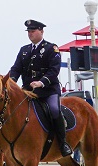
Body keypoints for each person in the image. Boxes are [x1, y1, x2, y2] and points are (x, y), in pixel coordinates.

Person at [7, 19, 72, 157]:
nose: (30, 34)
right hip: (28, 91)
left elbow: (54, 70)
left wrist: (41, 82)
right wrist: (10, 82)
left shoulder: (51, 48)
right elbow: (16, 68)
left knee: (54, 110)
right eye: (28, 32)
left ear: (41, 31)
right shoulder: (24, 50)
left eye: (33, 31)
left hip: (47, 91)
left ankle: (62, 143)